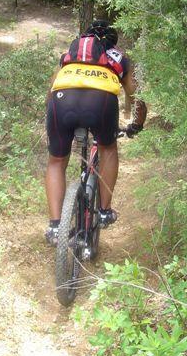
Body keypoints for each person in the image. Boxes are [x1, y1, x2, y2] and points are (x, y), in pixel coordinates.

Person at [45, 20, 147, 245]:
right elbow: (135, 97)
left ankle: (54, 226)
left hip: (60, 102)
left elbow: (51, 88)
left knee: (56, 161)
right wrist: (136, 125)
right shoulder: (119, 57)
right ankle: (103, 211)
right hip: (100, 102)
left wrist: (52, 121)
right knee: (107, 147)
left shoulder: (70, 54)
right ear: (112, 42)